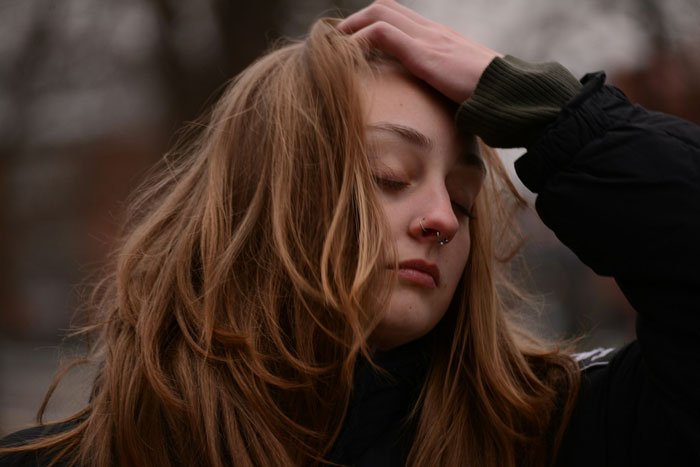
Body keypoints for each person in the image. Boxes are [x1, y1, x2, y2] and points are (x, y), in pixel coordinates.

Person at [2, 0, 699, 465]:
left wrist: (558, 120)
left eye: (463, 195)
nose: (442, 218)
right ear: (262, 199)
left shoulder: (551, 431)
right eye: (388, 174)